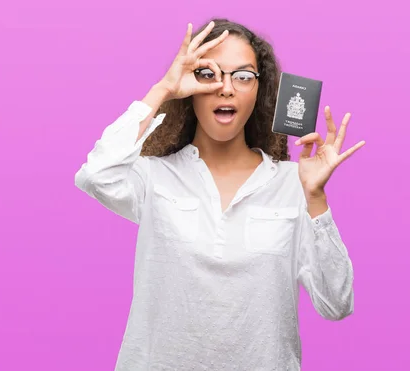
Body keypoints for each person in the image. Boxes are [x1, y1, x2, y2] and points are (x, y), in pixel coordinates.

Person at [74, 18, 364, 371]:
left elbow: (337, 303)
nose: (226, 88)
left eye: (243, 76)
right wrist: (163, 88)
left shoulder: (295, 184)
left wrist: (315, 197)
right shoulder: (154, 175)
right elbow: (95, 175)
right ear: (190, 86)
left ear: (259, 91)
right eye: (209, 74)